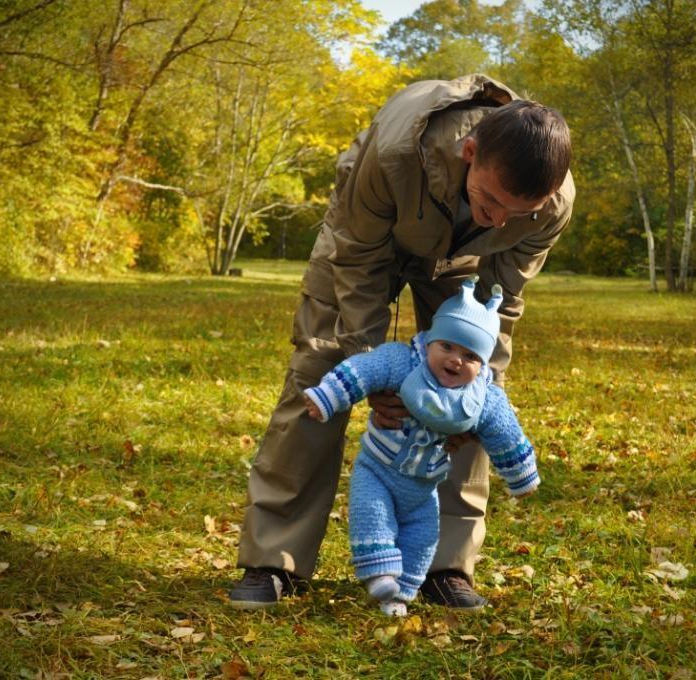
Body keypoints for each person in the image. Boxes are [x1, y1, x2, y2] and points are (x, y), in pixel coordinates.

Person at [229, 74, 575, 611]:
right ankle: (275, 559)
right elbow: (359, 264)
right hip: (365, 240)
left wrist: (475, 396)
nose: (502, 219)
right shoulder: (397, 152)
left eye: (517, 212)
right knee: (319, 370)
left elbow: (500, 303)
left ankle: (445, 567)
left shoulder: (550, 206)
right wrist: (369, 371)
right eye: (492, 200)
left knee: (468, 392)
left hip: (463, 266)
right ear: (469, 152)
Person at [302, 278, 540, 616]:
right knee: (373, 514)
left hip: (424, 484)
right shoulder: (403, 362)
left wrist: (521, 475)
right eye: (447, 347)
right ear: (429, 342)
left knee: (423, 536)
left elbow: (505, 431)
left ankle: (401, 595)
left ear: (483, 364)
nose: (456, 360)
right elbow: (364, 370)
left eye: (470, 355)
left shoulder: (482, 397)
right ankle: (380, 573)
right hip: (379, 469)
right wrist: (327, 397)